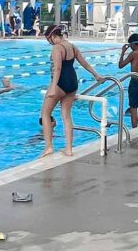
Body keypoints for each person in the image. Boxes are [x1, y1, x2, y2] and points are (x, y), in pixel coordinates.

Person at [41, 25, 103, 158]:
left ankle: (49, 147)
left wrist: (53, 87)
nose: (49, 43)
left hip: (60, 83)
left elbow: (57, 69)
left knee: (45, 114)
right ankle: (69, 149)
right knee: (66, 116)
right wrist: (96, 75)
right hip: (73, 83)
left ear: (53, 36)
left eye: (49, 40)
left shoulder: (57, 48)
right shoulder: (72, 46)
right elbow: (84, 63)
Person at [118, 34, 138, 129]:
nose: (130, 47)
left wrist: (123, 52)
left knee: (133, 108)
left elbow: (120, 65)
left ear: (134, 44)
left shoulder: (134, 53)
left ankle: (134, 131)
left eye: (130, 45)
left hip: (135, 81)